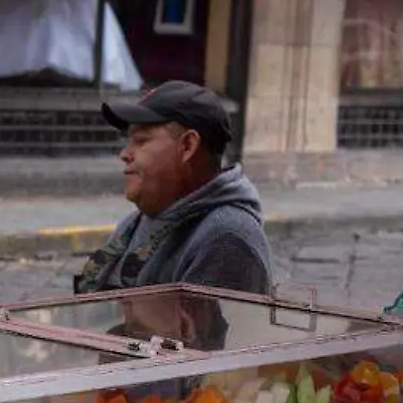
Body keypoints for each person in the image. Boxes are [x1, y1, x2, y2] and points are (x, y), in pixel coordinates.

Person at [74, 80, 273, 297]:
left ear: (187, 146)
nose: (125, 154)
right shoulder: (135, 222)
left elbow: (202, 331)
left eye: (141, 141)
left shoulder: (227, 241)